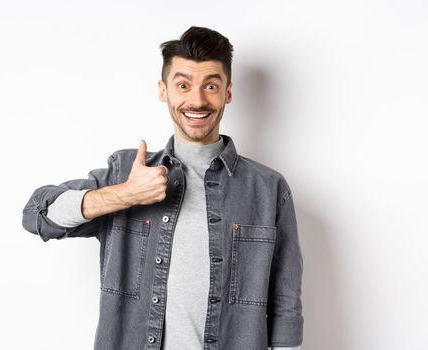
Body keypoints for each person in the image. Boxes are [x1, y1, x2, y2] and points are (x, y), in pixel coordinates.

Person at [21, 26, 303, 350]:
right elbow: (36, 215)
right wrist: (126, 194)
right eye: (183, 84)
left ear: (228, 92)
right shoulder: (127, 173)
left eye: (210, 85)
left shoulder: (268, 189)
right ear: (163, 90)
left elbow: (285, 305)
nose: (197, 100)